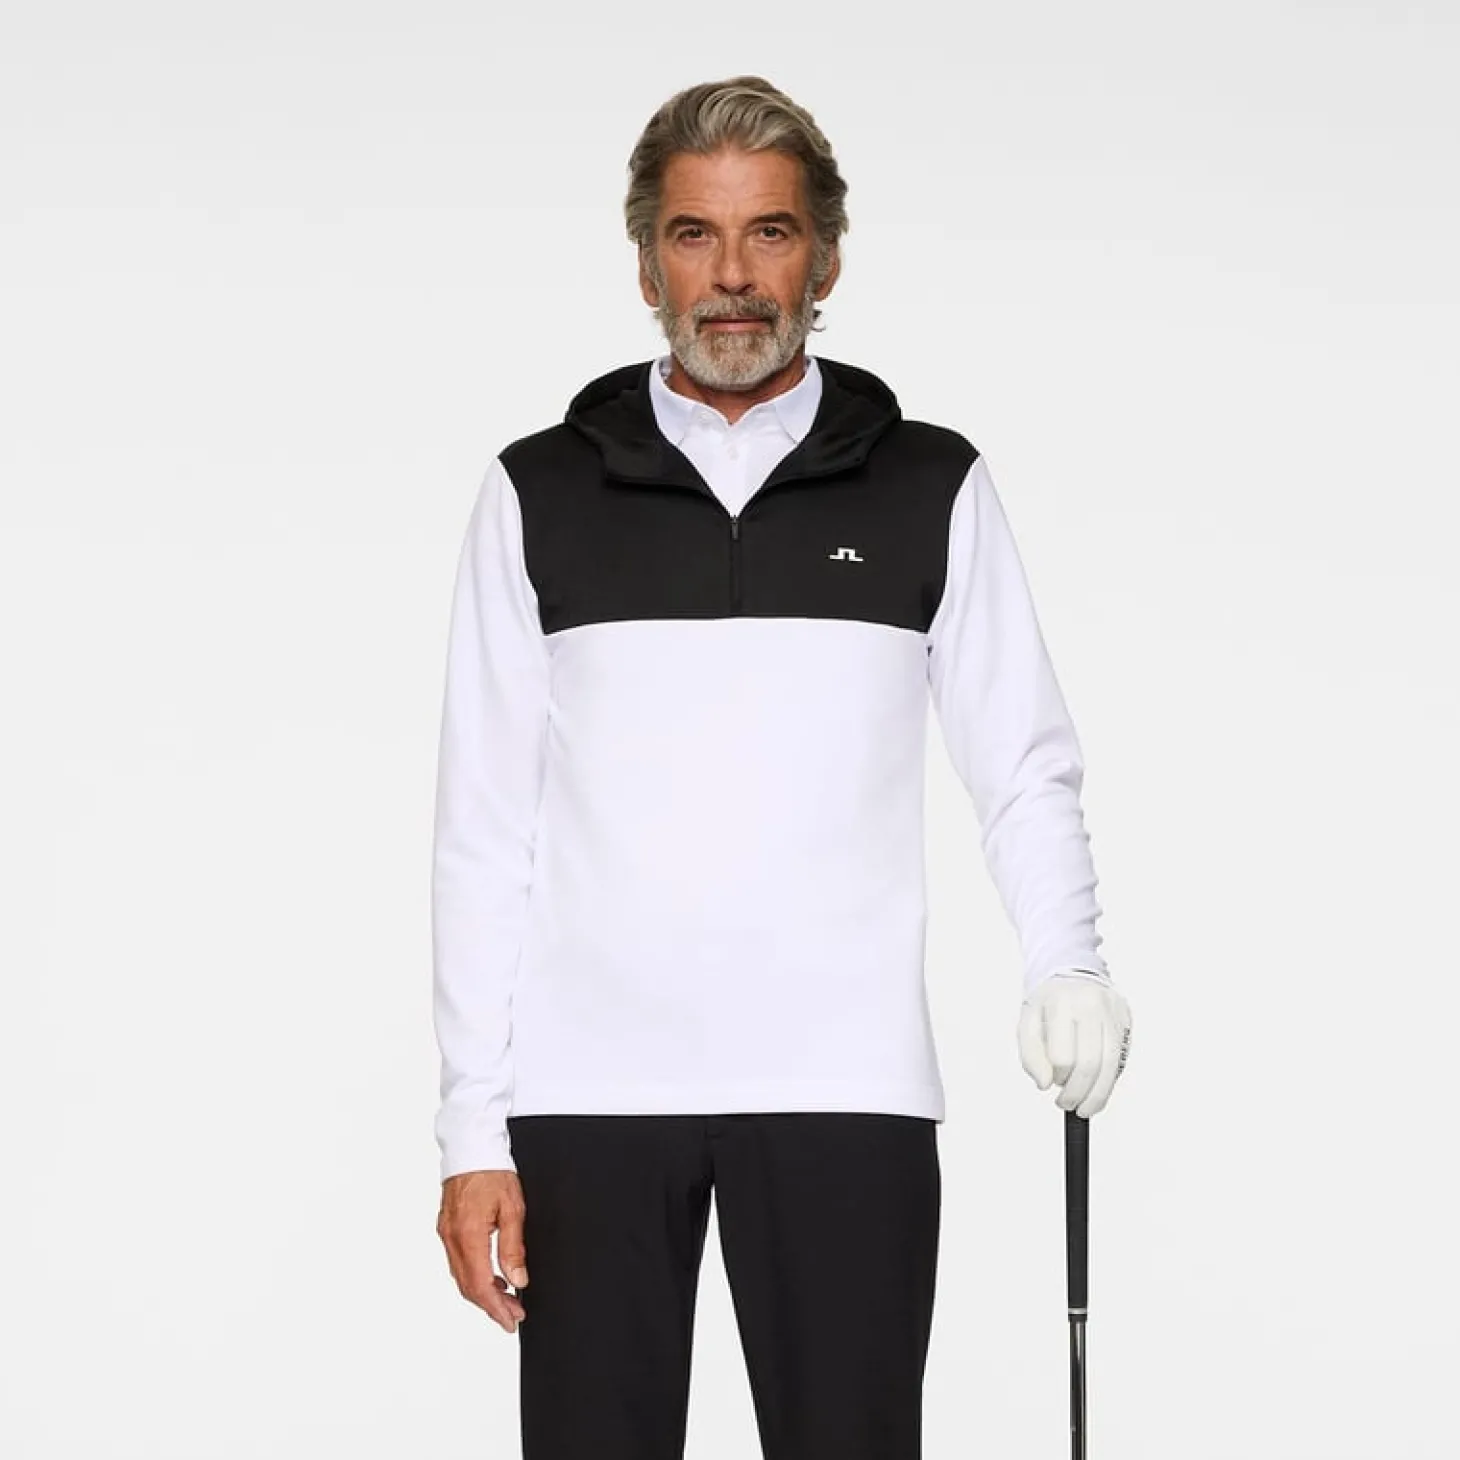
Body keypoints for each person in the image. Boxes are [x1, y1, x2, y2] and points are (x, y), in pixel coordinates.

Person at [430, 74, 1133, 1460]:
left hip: (846, 1085)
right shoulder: (536, 493)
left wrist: (1070, 963)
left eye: (771, 232)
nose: (734, 276)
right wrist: (472, 1132)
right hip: (589, 1094)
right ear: (647, 263)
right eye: (695, 235)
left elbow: (1022, 766)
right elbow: (482, 829)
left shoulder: (931, 485)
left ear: (826, 257)